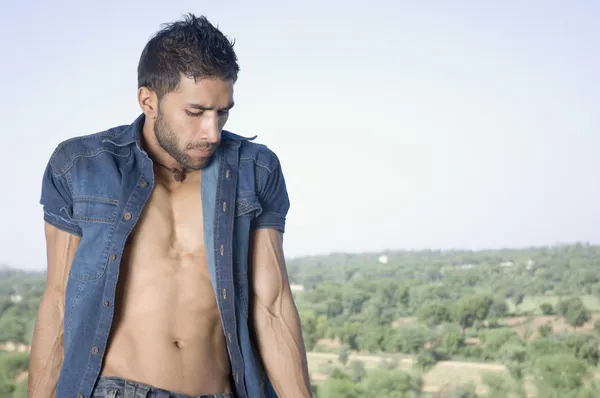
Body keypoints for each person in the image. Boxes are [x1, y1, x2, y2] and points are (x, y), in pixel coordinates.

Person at [28, 13, 312, 398]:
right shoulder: (81, 166)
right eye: (195, 113)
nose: (212, 132)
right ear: (149, 100)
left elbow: (273, 306)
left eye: (222, 112)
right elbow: (59, 303)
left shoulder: (255, 169)